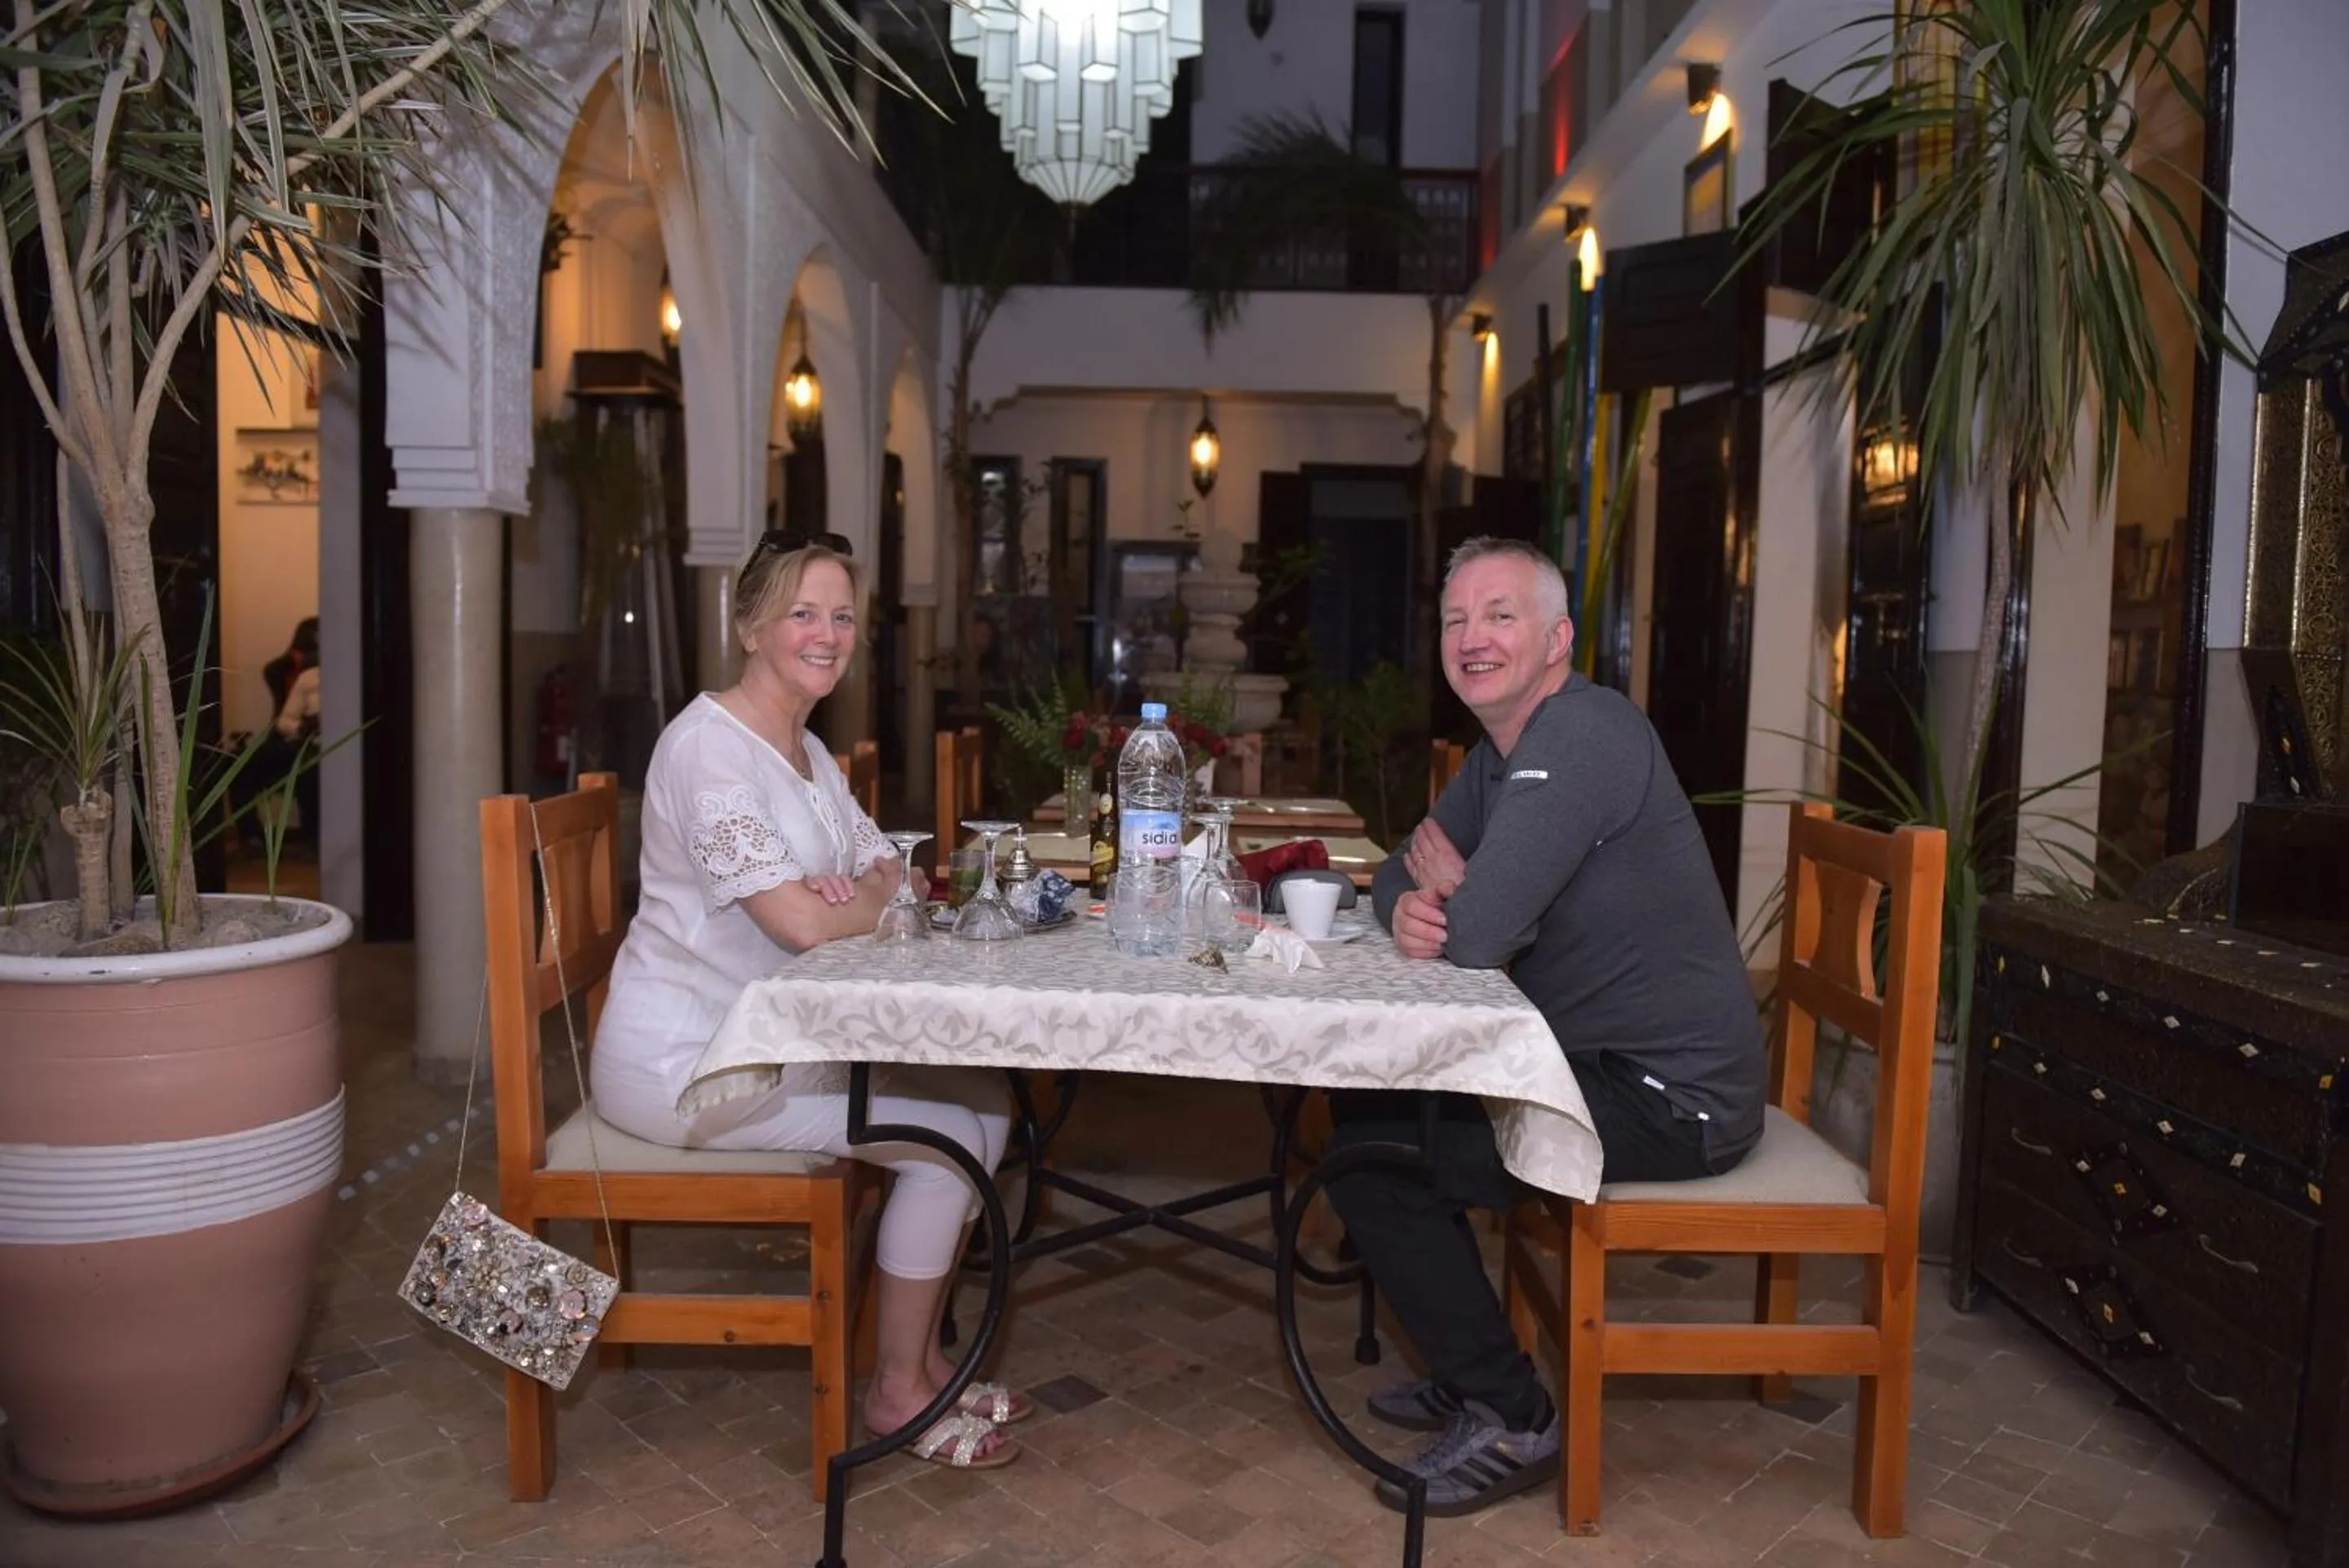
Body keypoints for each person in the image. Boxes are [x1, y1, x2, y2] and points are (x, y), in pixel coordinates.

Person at [1333, 536, 1766, 1517]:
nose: (1471, 637)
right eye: (1454, 620)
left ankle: (1513, 1412)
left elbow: (1479, 932)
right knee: (1373, 1102)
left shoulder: (1583, 735)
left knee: (1372, 1154)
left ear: (1558, 638)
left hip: (1673, 1098)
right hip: (1588, 1063)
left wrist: (1461, 895)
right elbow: (1403, 872)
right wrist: (1421, 895)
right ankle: (1468, 1354)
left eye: (1499, 616)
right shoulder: (1504, 756)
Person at [591, 535, 1030, 1471]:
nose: (825, 634)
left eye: (839, 616)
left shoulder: (807, 751)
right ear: (748, 625)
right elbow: (801, 921)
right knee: (951, 1143)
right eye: (801, 612)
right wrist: (850, 900)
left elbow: (893, 874)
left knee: (987, 1106)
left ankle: (920, 1355)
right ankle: (897, 1392)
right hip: (696, 1063)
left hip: (779, 1036)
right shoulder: (710, 752)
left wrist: (860, 896)